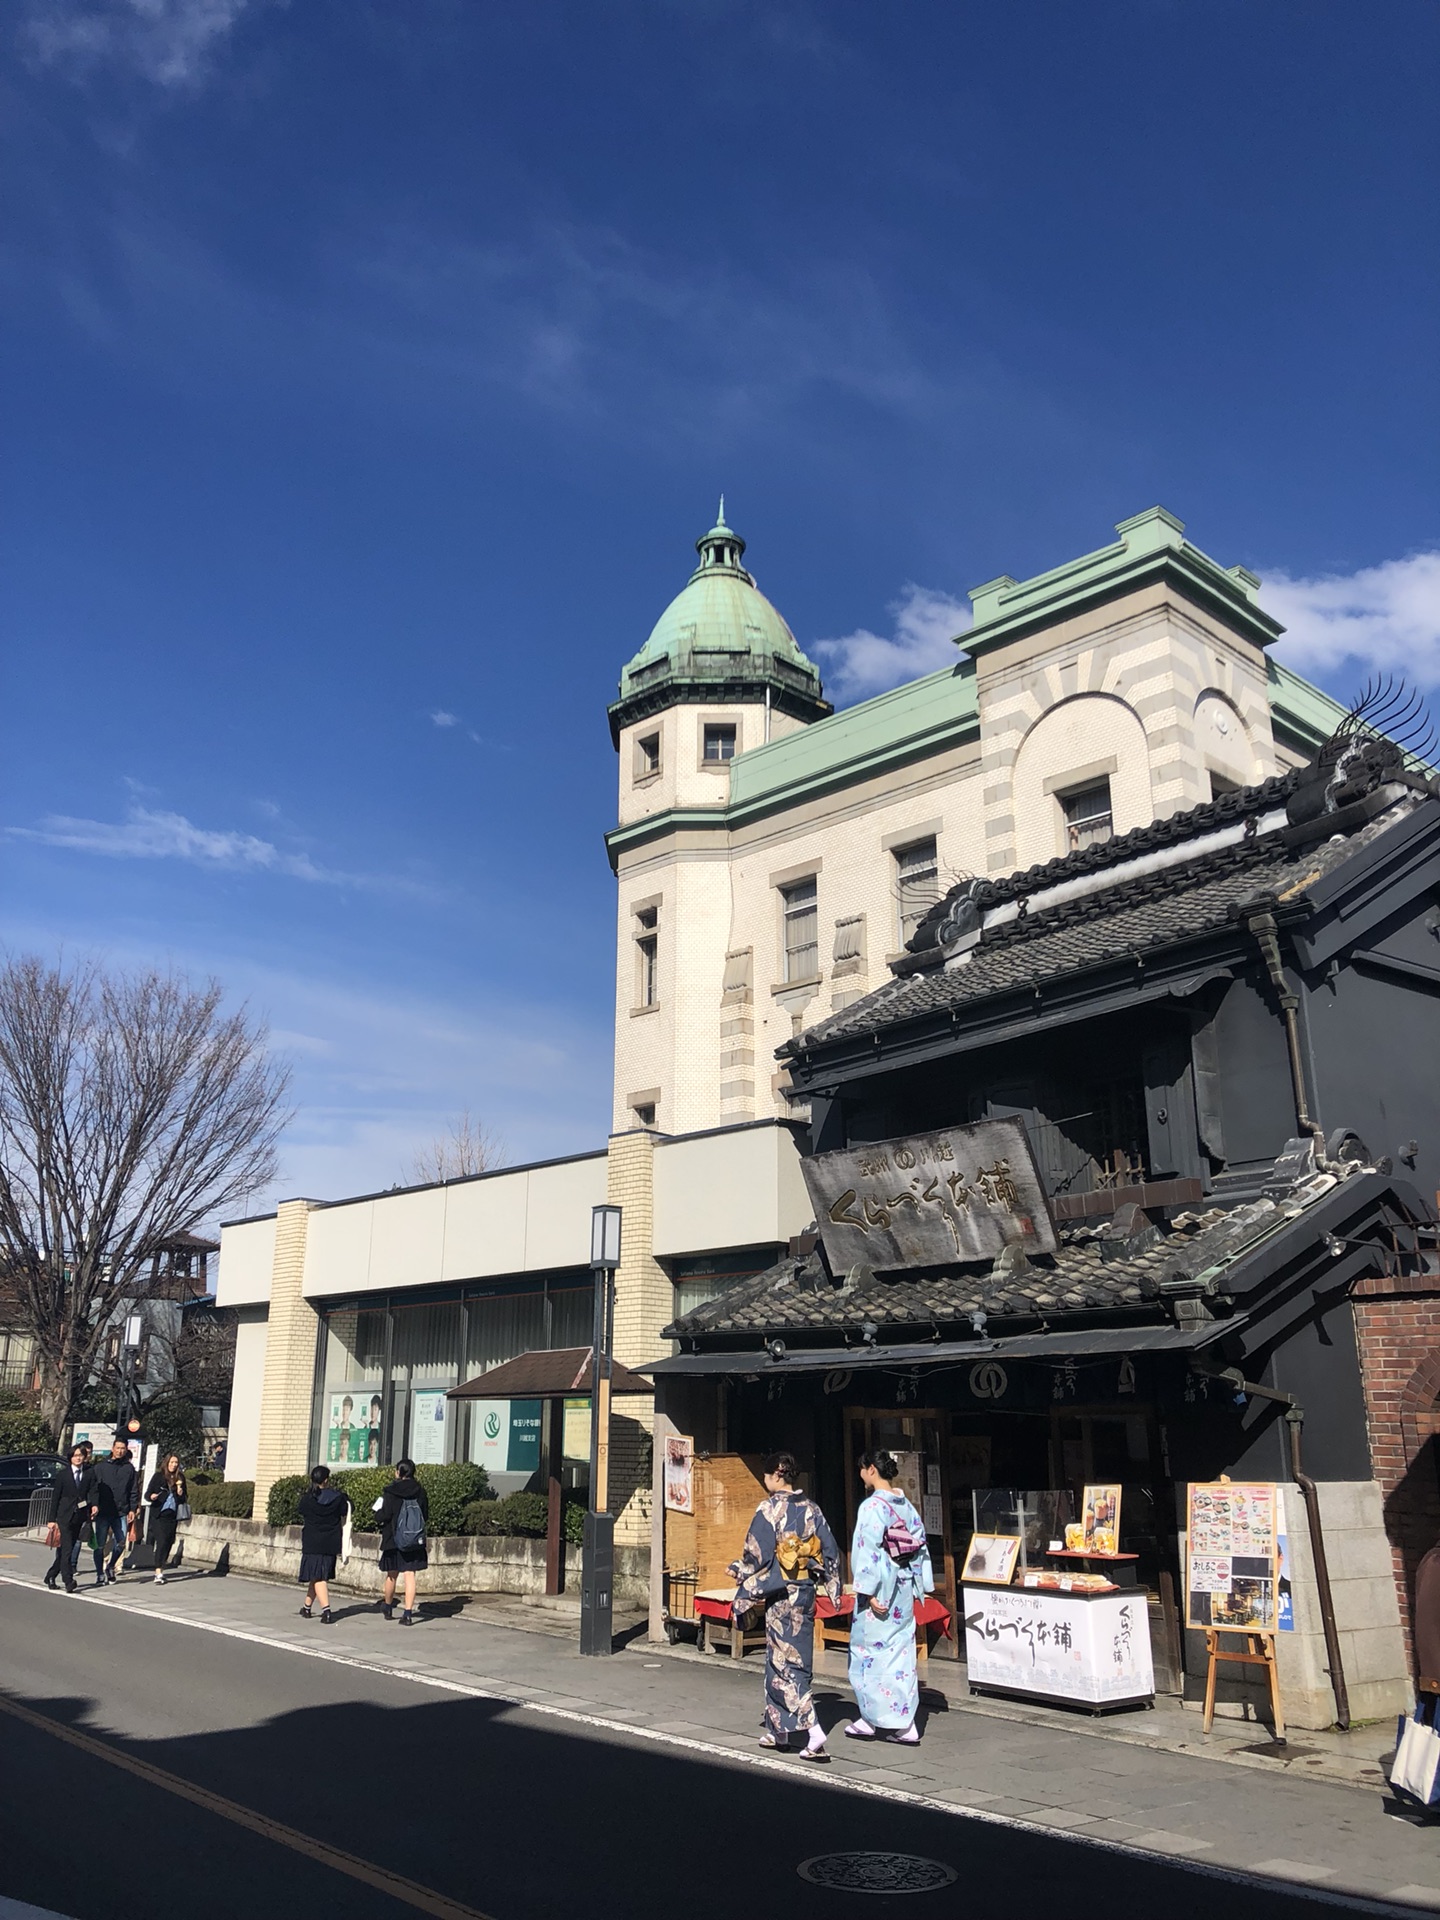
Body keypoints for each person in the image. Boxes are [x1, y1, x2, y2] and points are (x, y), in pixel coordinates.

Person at [729, 1450, 840, 1761]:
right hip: (804, 1592)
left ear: (775, 1476)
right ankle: (779, 1730)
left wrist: (740, 1571)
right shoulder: (812, 1508)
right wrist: (833, 1587)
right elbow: (828, 1550)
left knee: (785, 1663)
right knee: (790, 1658)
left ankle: (814, 1731)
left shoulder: (770, 1509)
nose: (766, 1481)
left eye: (766, 1476)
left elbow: (757, 1555)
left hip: (781, 1593)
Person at [844, 1449, 935, 1746]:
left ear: (871, 1469)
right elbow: (919, 1544)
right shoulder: (905, 1505)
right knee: (900, 1652)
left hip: (881, 1588)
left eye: (862, 1469)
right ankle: (905, 1721)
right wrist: (921, 1582)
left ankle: (870, 1718)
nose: (860, 1474)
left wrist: (867, 1592)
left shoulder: (872, 1507)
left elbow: (867, 1550)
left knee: (867, 1652)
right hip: (904, 1587)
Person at [375, 1458, 428, 1625]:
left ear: (399, 1472)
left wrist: (376, 1513)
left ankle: (388, 1606)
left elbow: (385, 1514)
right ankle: (408, 1613)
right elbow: (424, 1515)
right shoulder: (420, 1491)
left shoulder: (391, 1491)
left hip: (393, 1538)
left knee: (392, 1574)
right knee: (410, 1574)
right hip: (413, 1538)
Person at [297, 1465, 351, 1623]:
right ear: (326, 1480)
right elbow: (346, 1510)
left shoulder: (307, 1498)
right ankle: (307, 1607)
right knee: (318, 1574)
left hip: (312, 1542)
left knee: (318, 1576)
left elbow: (301, 1511)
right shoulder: (338, 1497)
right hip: (330, 1541)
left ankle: (326, 1610)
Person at [45, 1446, 97, 1594]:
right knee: (68, 1549)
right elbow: (56, 1497)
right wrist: (51, 1519)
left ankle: (50, 1575)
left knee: (65, 1550)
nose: (78, 1458)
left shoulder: (88, 1473)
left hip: (79, 1515)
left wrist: (94, 1505)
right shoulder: (63, 1475)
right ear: (70, 1458)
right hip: (64, 1516)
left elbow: (93, 1491)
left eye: (81, 1455)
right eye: (75, 1456)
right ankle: (68, 1580)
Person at [90, 1438, 139, 1586]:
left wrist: (132, 1508)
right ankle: (99, 1573)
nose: (120, 1451)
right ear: (112, 1449)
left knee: (121, 1542)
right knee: (100, 1544)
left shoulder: (129, 1468)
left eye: (123, 1448)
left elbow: (133, 1490)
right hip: (103, 1512)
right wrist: (94, 1505)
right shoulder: (100, 1467)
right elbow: (93, 1489)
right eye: (117, 1448)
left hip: (121, 1511)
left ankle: (111, 1566)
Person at [143, 1453, 189, 1585]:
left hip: (172, 1515)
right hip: (159, 1514)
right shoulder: (158, 1477)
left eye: (176, 1463)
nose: (174, 1465)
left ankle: (161, 1566)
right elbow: (147, 1493)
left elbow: (184, 1498)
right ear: (166, 1463)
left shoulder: (180, 1478)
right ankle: (158, 1572)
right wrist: (152, 1496)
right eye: (171, 1462)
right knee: (162, 1541)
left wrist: (180, 1492)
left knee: (169, 1542)